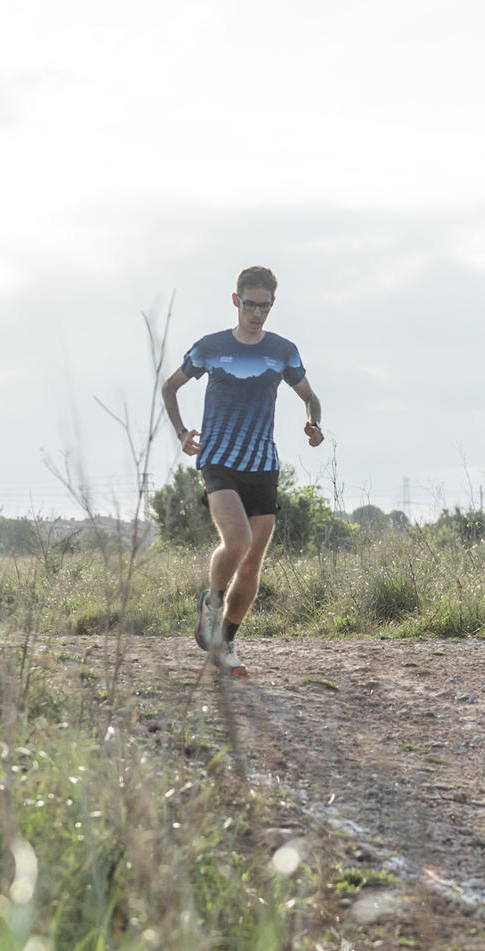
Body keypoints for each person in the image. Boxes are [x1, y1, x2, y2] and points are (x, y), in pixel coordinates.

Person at [161, 266, 324, 676]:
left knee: (251, 563)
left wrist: (314, 423)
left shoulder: (283, 351)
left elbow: (310, 397)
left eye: (264, 306)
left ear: (273, 304)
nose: (256, 313)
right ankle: (211, 604)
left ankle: (224, 644)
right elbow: (170, 387)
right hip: (219, 458)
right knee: (237, 541)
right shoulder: (211, 347)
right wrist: (181, 432)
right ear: (236, 301)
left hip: (263, 463)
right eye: (250, 304)